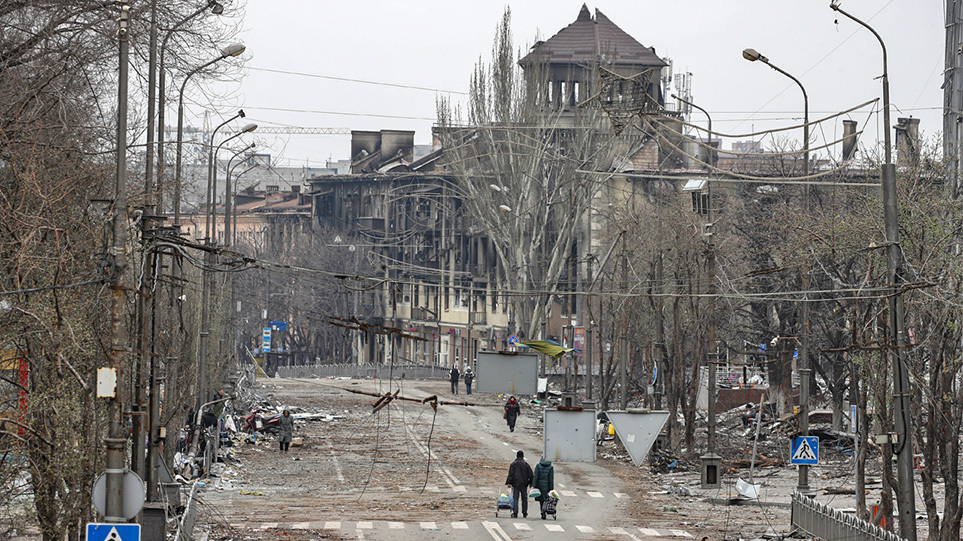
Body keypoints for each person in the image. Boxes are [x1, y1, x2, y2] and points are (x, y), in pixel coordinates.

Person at [505, 450, 533, 518]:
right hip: (524, 484)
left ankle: (515, 512)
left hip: (515, 483)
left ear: (516, 456)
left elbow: (511, 474)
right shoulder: (526, 464)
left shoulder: (513, 464)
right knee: (524, 498)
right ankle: (524, 512)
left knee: (515, 498)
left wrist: (509, 482)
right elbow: (531, 474)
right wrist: (531, 483)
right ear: (523, 456)